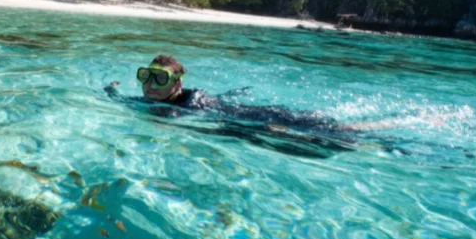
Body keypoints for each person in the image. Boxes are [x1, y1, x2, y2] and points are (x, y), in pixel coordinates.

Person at [105, 54, 371, 158]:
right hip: (236, 121)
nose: (150, 84)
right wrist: (112, 90)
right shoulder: (154, 103)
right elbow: (125, 101)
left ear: (177, 84)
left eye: (160, 78)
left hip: (251, 118)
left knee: (329, 136)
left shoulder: (183, 105)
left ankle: (375, 138)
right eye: (145, 76)